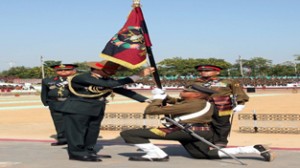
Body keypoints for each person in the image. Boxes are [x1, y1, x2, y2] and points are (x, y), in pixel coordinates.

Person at [120, 84, 275, 162]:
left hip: (183, 131)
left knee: (129, 133)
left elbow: (151, 111)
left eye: (186, 90)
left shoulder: (194, 103)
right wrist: (164, 96)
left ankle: (157, 154)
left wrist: (158, 98)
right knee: (203, 155)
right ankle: (253, 149)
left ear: (196, 94)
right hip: (198, 131)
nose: (183, 91)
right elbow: (177, 101)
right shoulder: (200, 102)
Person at [59, 60, 154, 162]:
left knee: (92, 132)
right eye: (110, 69)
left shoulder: (106, 80)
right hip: (78, 109)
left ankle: (89, 151)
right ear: (97, 69)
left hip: (96, 109)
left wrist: (146, 100)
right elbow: (111, 84)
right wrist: (138, 75)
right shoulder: (82, 77)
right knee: (77, 132)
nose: (113, 72)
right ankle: (76, 153)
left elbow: (123, 90)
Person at [193, 64, 249, 148]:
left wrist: (241, 103)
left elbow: (238, 92)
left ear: (217, 72)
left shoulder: (228, 81)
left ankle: (221, 141)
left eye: (207, 71)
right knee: (204, 123)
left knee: (221, 124)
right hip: (201, 106)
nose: (203, 72)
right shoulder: (195, 82)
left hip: (222, 105)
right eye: (201, 71)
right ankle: (208, 140)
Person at [41, 63, 77, 146]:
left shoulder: (77, 79)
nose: (63, 71)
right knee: (58, 122)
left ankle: (75, 140)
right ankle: (62, 138)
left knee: (73, 122)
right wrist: (45, 102)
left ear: (73, 70)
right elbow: (44, 93)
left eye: (67, 69)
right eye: (60, 70)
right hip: (55, 103)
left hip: (71, 102)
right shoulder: (47, 80)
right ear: (55, 71)